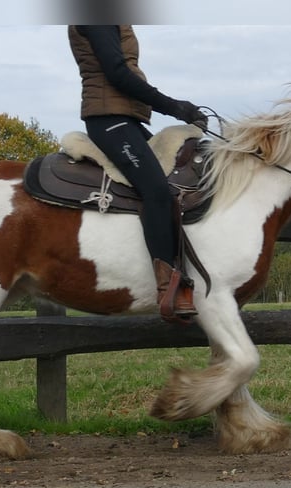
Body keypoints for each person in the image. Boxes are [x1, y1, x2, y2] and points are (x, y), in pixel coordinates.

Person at [67, 25, 207, 322]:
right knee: (156, 190)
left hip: (125, 120)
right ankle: (167, 287)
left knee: (172, 185)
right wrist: (175, 107)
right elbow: (117, 73)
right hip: (109, 120)